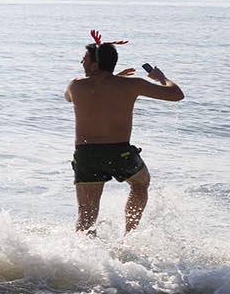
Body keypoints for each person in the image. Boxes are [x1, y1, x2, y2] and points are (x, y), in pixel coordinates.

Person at [66, 36, 183, 233]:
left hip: (86, 155)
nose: (81, 62)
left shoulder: (75, 86)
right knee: (140, 184)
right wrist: (161, 78)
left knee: (86, 215)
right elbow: (176, 94)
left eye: (84, 59)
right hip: (119, 154)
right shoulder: (131, 85)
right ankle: (128, 237)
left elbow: (70, 98)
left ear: (94, 66)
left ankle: (81, 258)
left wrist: (111, 79)